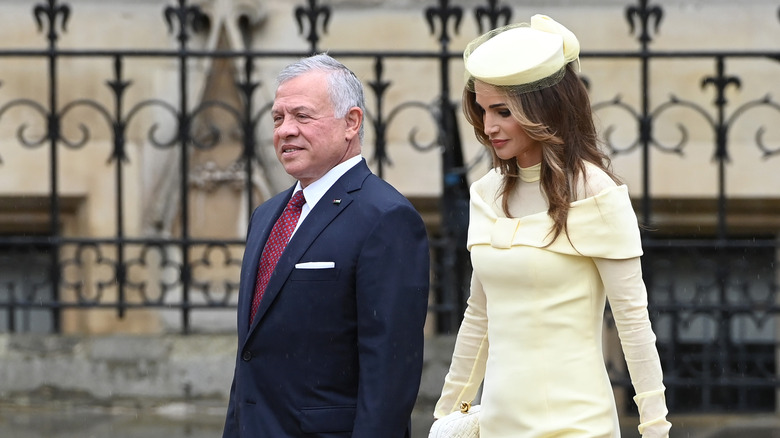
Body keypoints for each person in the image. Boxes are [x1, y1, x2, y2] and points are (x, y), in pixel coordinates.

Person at [432, 14, 672, 437]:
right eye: (482, 110)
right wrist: (449, 413)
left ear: (543, 109)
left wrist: (655, 428)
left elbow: (633, 322)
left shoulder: (595, 191)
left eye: (503, 111)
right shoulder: (485, 193)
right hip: (497, 424)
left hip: (577, 425)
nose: (488, 127)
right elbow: (479, 317)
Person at [222, 53, 430, 438]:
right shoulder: (266, 215)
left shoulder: (386, 217)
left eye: (302, 116)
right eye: (278, 118)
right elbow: (251, 358)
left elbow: (389, 375)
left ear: (351, 122)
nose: (286, 130)